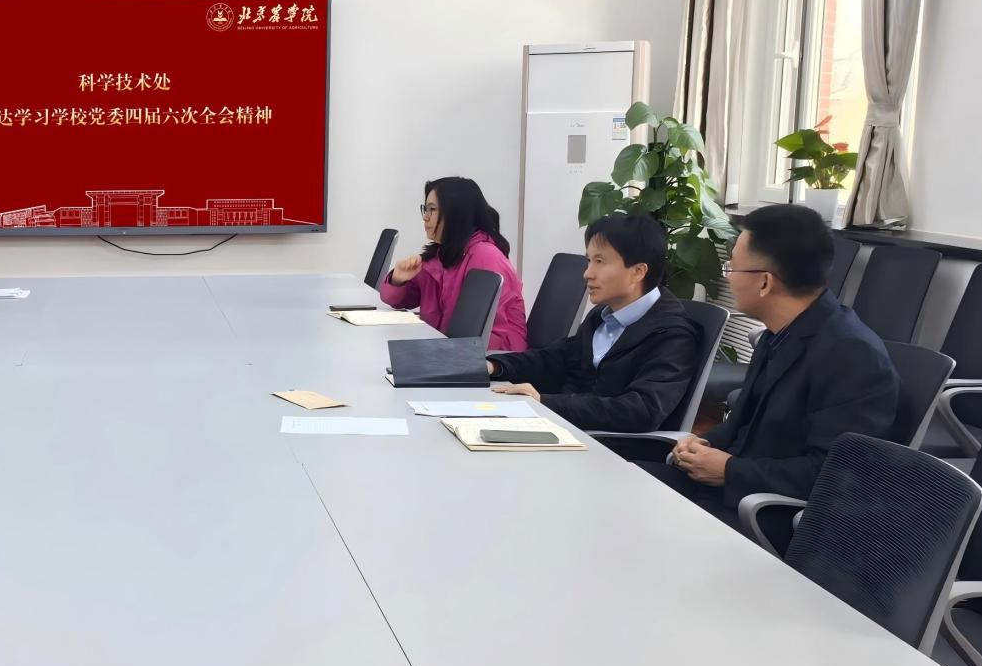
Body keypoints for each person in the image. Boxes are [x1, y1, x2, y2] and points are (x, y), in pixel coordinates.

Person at [640, 204, 897, 527]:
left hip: (766, 515)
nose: (728, 278)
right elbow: (745, 426)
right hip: (729, 491)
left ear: (765, 282)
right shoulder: (780, 332)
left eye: (732, 268)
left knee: (637, 519)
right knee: (622, 487)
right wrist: (703, 444)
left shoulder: (852, 355)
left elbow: (836, 474)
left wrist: (730, 470)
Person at [484, 213, 701, 432]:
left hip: (608, 447)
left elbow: (642, 410)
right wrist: (495, 366)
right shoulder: (602, 317)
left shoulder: (672, 336)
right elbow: (555, 358)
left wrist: (546, 403)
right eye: (589, 261)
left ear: (638, 272)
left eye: (600, 261)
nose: (588, 273)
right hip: (566, 431)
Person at [378, 176, 529, 351]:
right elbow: (399, 300)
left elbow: (486, 334)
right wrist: (398, 281)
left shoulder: (485, 256)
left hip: (496, 357)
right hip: (454, 349)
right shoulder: (441, 254)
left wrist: (435, 353)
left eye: (432, 209)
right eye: (425, 209)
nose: (425, 217)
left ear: (455, 212)